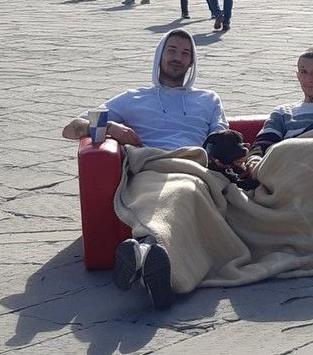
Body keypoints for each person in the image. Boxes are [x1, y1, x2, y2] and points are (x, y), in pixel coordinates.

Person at [61, 29, 228, 309]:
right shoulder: (131, 98)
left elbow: (221, 140)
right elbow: (70, 129)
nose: (177, 58)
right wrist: (111, 127)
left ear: (192, 63)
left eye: (185, 54)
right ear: (160, 55)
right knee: (168, 195)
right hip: (148, 168)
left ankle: (144, 252)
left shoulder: (209, 99)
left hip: (191, 169)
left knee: (183, 190)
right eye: (172, 51)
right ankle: (155, 262)